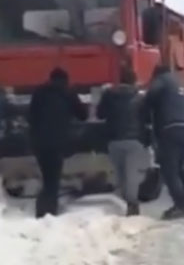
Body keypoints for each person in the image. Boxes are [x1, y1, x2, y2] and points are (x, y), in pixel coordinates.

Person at [141, 64, 184, 220]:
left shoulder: (162, 80)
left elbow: (151, 96)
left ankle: (181, 206)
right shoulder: (176, 84)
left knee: (170, 171)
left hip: (171, 129)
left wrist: (144, 104)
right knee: (183, 168)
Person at [27, 67, 87, 218]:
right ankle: (48, 212)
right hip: (58, 142)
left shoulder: (39, 92)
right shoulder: (68, 93)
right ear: (65, 80)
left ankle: (43, 209)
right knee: (53, 179)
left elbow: (30, 116)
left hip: (39, 142)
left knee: (47, 176)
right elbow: (82, 115)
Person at [96, 68, 150, 216]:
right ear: (134, 81)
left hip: (114, 140)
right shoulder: (140, 98)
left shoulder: (109, 95)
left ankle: (120, 205)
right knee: (132, 174)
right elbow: (147, 118)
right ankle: (132, 205)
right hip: (134, 141)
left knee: (120, 174)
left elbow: (100, 114)